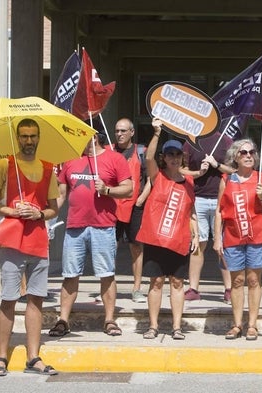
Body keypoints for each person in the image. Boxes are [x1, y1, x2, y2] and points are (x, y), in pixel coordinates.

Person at [0, 118, 59, 376]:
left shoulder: (49, 168)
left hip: (38, 239)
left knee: (36, 298)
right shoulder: (4, 164)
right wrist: (10, 210)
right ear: (17, 138)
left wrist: (39, 214)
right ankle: (1, 356)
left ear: (39, 138)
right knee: (9, 298)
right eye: (24, 136)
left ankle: (33, 357)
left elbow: (53, 209)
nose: (29, 141)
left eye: (33, 136)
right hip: (12, 239)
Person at [48, 132, 132, 338]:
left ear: (96, 138)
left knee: (106, 274)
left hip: (103, 226)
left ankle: (110, 320)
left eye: (86, 137)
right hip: (75, 226)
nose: (83, 141)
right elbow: (61, 194)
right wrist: (48, 216)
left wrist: (107, 190)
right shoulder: (71, 161)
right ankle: (63, 320)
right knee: (70, 274)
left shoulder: (115, 158)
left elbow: (129, 188)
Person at [136, 118, 201, 340]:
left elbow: (191, 212)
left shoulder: (189, 183)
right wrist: (156, 133)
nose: (174, 158)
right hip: (156, 239)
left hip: (179, 240)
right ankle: (153, 326)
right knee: (156, 282)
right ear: (164, 158)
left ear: (182, 157)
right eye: (170, 154)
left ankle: (176, 327)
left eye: (177, 154)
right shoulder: (157, 176)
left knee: (177, 282)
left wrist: (196, 234)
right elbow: (148, 157)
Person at [213, 139, 262, 341]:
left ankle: (252, 325)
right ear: (235, 157)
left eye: (251, 152)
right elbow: (219, 211)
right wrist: (217, 238)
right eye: (243, 153)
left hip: (255, 236)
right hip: (232, 236)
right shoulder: (227, 179)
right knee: (237, 281)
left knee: (253, 280)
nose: (249, 155)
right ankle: (236, 324)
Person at [181, 131, 235, 303]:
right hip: (198, 199)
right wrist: (199, 172)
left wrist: (216, 164)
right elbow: (181, 169)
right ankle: (194, 288)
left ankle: (229, 289)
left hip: (222, 198)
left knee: (223, 245)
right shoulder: (191, 141)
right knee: (198, 243)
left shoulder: (226, 140)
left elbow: (235, 169)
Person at [112, 118, 152, 303]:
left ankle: (137, 289)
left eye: (123, 131)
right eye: (117, 131)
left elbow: (151, 178)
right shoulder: (108, 151)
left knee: (136, 247)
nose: (119, 134)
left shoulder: (141, 151)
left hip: (135, 206)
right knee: (110, 248)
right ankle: (108, 288)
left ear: (132, 132)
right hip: (112, 206)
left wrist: (141, 200)